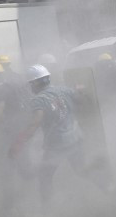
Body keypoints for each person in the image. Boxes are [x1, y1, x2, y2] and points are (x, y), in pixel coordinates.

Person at [11, 64, 86, 204]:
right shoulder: (64, 89)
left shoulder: (39, 99)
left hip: (57, 145)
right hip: (76, 138)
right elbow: (80, 102)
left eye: (31, 84)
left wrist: (18, 142)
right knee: (82, 170)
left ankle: (48, 215)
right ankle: (109, 187)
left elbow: (34, 124)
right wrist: (80, 90)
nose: (30, 87)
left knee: (45, 177)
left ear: (35, 83)